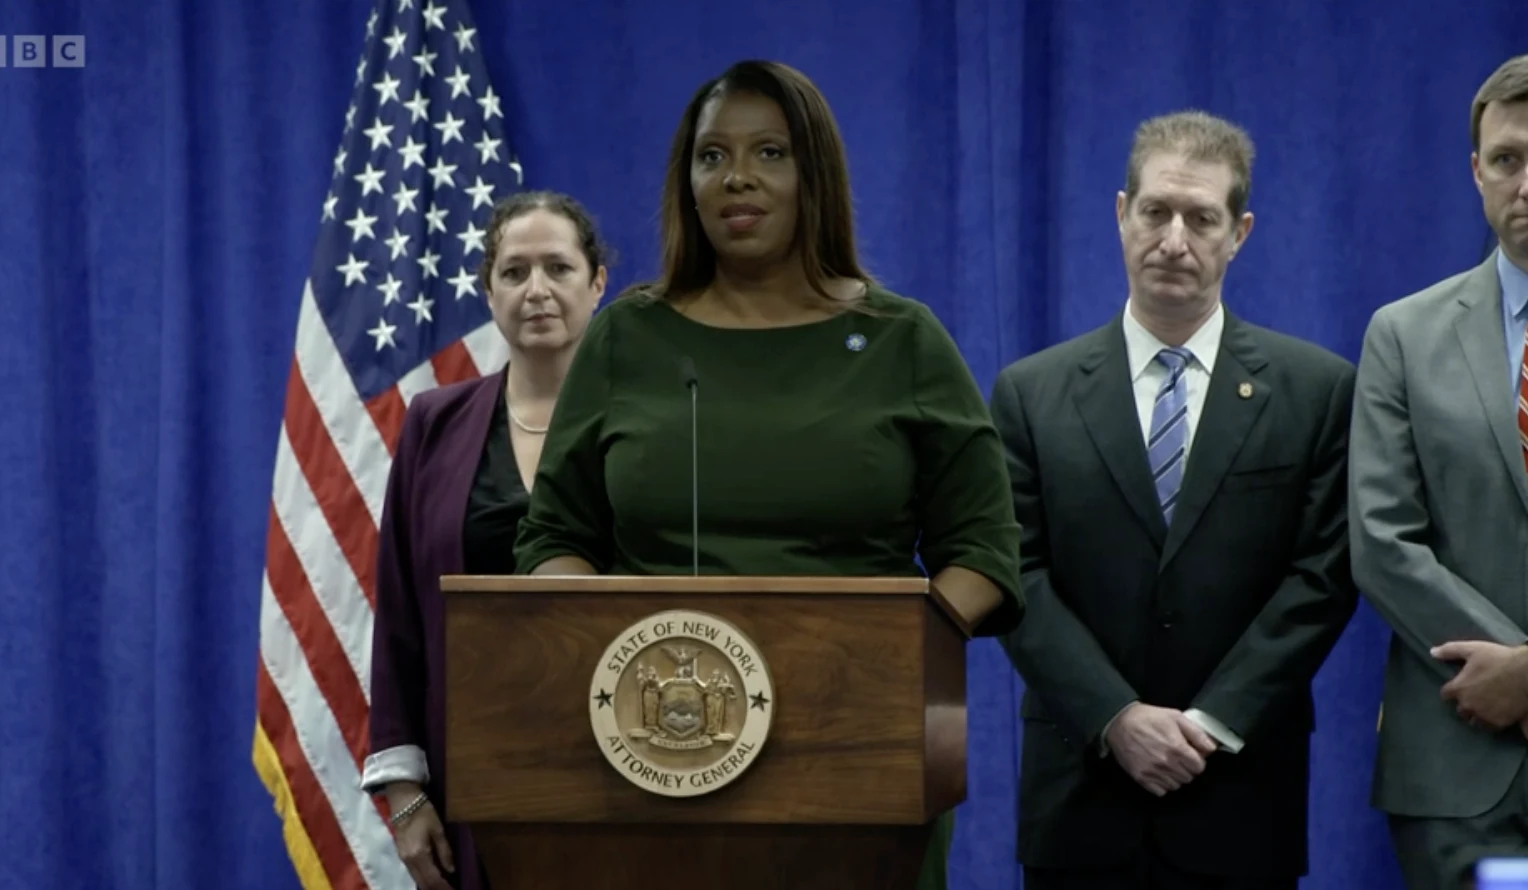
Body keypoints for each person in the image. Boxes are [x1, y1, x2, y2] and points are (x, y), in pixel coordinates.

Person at [510, 59, 1023, 890]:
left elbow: (987, 551)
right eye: (711, 156)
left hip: (861, 754)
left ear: (813, 172)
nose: (736, 177)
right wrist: (603, 637)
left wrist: (891, 652)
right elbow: (554, 536)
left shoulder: (903, 339)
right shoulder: (626, 339)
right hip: (657, 751)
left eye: (769, 153)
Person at [989, 110, 1359, 889]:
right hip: (1080, 800)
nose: (1174, 239)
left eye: (1202, 218)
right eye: (1156, 211)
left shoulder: (1317, 391)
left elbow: (1322, 578)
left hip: (1238, 793)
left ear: (1240, 232)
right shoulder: (1031, 393)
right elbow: (1013, 574)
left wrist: (1210, 724)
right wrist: (1115, 717)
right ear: (1122, 213)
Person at [362, 190, 612, 890]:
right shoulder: (433, 424)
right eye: (514, 271)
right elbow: (401, 621)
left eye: (558, 269)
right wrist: (405, 796)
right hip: (474, 780)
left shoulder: (646, 428)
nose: (537, 291)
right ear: (487, 289)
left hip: (625, 774)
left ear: (597, 282)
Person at [1348, 54, 1528, 890]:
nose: (1524, 183)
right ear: (1476, 172)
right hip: (1458, 755)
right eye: (1507, 160)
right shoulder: (1404, 334)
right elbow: (1383, 542)